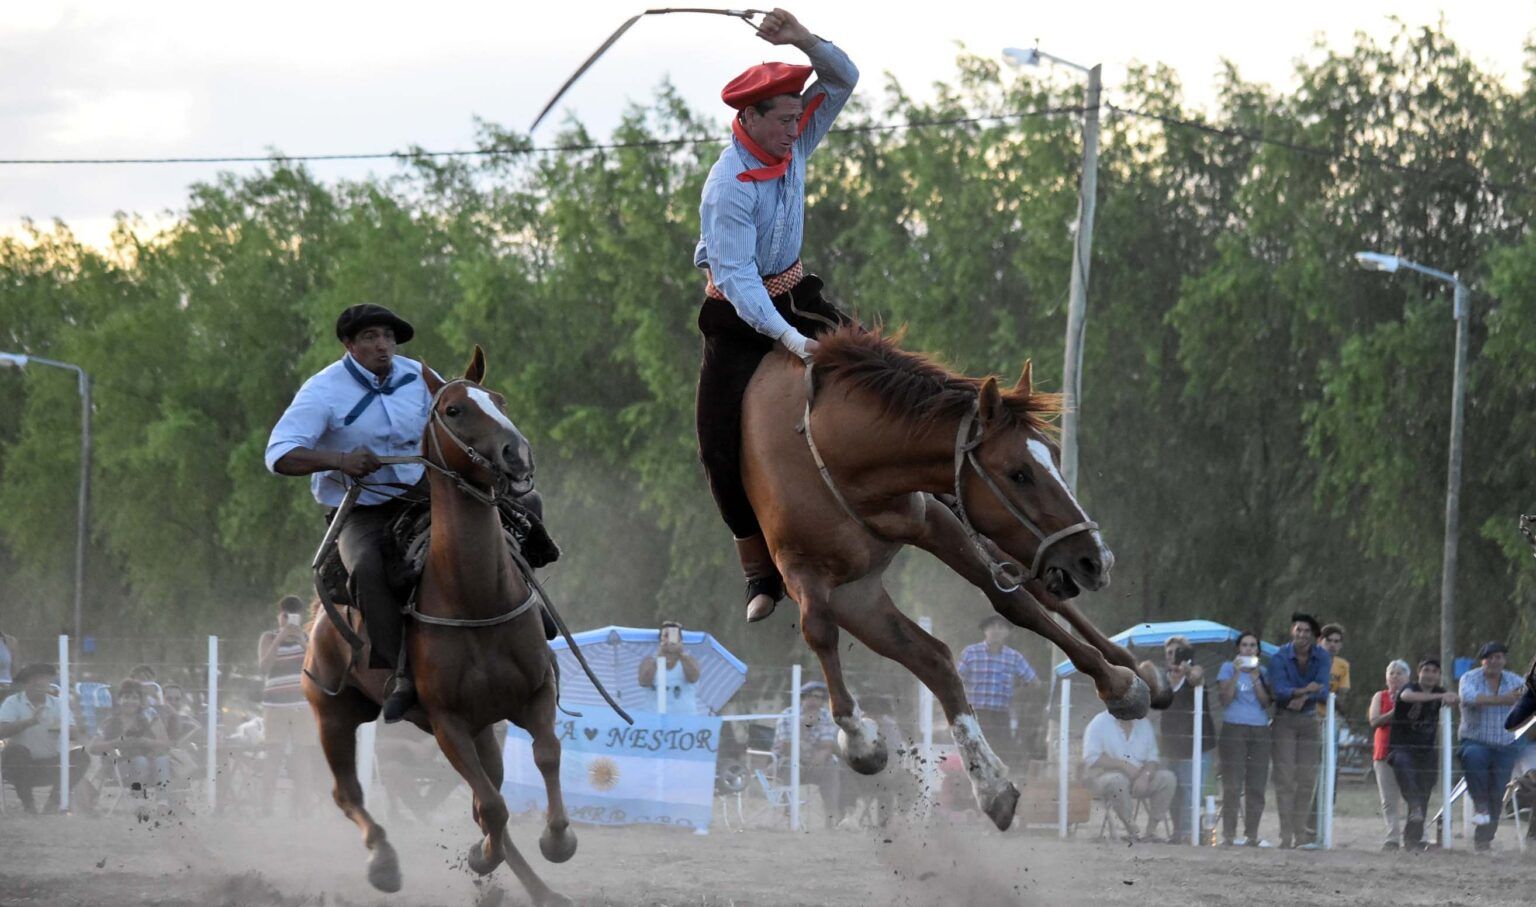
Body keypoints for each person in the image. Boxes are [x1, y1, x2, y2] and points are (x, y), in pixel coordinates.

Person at [692, 7, 859, 622]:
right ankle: (758, 571)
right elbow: (738, 282)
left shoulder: (795, 132)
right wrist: (794, 342)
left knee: (876, 365)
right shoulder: (728, 187)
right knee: (715, 444)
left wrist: (802, 40)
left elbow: (843, 80)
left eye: (799, 118)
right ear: (750, 118)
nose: (798, 129)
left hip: (797, 291)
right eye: (785, 120)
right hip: (737, 315)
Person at [265, 303, 432, 722]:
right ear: (349, 344)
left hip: (422, 491)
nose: (384, 346)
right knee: (368, 566)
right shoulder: (322, 390)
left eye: (389, 338)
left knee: (501, 515)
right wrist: (340, 460)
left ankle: (528, 616)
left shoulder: (418, 376)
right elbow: (279, 454)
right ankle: (398, 675)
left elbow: (455, 413)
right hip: (361, 506)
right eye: (373, 337)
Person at [1265, 611, 1331, 849]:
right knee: (1284, 778)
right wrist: (1305, 692)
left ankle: (1300, 833)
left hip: (1309, 719)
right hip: (1284, 719)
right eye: (1298, 630)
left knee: (1306, 778)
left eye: (1306, 631)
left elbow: (1323, 689)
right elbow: (1279, 691)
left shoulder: (1322, 656)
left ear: (1313, 635)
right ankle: (1285, 834)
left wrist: (1301, 696)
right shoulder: (1280, 656)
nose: (1302, 635)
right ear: (1292, 631)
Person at [1457, 641, 1525, 851]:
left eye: (1499, 657)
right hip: (1475, 740)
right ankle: (1479, 803)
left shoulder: (1515, 679)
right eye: (1490, 657)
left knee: (1498, 792)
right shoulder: (1469, 678)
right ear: (1482, 660)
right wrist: (1505, 699)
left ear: (1504, 660)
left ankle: (1484, 839)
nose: (1495, 661)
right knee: (1473, 758)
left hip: (1505, 744)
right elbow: (1469, 698)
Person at [257, 594, 319, 818]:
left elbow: (317, 664)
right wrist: (280, 637)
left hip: (302, 705)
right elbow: (264, 667)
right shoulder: (268, 636)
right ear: (280, 616)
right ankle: (266, 807)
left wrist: (301, 640)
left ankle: (305, 809)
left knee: (303, 758)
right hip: (274, 705)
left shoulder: (306, 637)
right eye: (285, 614)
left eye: (292, 614)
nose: (288, 618)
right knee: (273, 755)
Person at [0, 663, 88, 813]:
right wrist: (30, 722)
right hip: (19, 766)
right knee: (16, 752)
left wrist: (62, 727)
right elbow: (2, 731)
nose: (40, 683)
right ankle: (29, 806)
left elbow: (75, 733)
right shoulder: (13, 702)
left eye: (44, 679)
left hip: (51, 765)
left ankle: (53, 804)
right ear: (25, 683)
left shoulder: (59, 704)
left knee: (81, 756)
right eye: (34, 679)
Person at [1081, 708, 1177, 843]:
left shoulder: (1144, 724)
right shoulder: (1099, 723)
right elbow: (1091, 758)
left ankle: (1150, 832)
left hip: (1139, 776)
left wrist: (1146, 775)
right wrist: (1122, 765)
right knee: (1117, 781)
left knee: (1168, 778)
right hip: (1106, 776)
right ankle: (1132, 830)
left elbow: (1153, 758)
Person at [1389, 657, 1455, 851]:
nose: (1430, 674)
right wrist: (1439, 698)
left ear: (1439, 675)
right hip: (1401, 748)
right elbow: (1407, 697)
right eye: (1426, 670)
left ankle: (1412, 840)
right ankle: (1415, 806)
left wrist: (1451, 697)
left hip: (1426, 750)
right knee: (1408, 778)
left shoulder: (1440, 692)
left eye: (1435, 671)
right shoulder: (1409, 687)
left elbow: (1455, 699)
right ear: (1419, 673)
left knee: (1424, 792)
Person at [955, 615, 1038, 769]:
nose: (996, 631)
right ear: (985, 630)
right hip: (976, 714)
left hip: (1001, 715)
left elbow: (1033, 681)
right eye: (992, 626)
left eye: (1001, 627)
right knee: (975, 754)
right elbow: (957, 679)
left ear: (1007, 632)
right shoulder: (971, 653)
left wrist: (1016, 693)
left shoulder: (1013, 657)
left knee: (1001, 755)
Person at [1215, 632, 1272, 847]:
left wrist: (1256, 677)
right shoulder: (1227, 668)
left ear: (1258, 650)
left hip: (1259, 728)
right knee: (1232, 783)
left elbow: (1266, 702)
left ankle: (1252, 834)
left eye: (1253, 646)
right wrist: (1237, 674)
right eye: (1245, 645)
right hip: (1234, 727)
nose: (1248, 649)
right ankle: (1228, 834)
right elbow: (1225, 698)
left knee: (1256, 783)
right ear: (1239, 648)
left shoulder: (1264, 672)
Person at [1158, 636, 1214, 842]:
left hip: (1197, 746)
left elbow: (1198, 677)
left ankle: (1187, 834)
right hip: (1171, 745)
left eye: (1178, 652)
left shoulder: (1194, 675)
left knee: (1191, 791)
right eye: (1170, 653)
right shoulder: (1161, 679)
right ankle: (1178, 832)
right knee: (1173, 791)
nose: (1174, 657)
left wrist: (1187, 667)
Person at [87, 679, 172, 814]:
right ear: (119, 700)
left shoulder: (148, 716)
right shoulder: (110, 721)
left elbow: (166, 744)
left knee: (162, 760)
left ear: (140, 701)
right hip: (120, 766)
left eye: (135, 698)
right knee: (140, 761)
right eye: (126, 697)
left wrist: (145, 742)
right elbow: (93, 747)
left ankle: (163, 804)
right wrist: (117, 742)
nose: (130, 701)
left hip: (150, 762)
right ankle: (139, 804)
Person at [1303, 622, 1351, 842]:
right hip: (1310, 717)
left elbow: (1342, 696)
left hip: (1331, 720)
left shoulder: (1342, 666)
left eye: (1336, 641)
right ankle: (1304, 823)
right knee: (1310, 771)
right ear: (1320, 641)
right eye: (1328, 640)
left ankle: (1318, 822)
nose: (1332, 645)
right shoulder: (1309, 660)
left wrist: (1325, 694)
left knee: (1329, 771)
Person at [772, 680, 843, 828]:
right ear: (803, 697)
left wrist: (820, 757)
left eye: (819, 697)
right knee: (788, 765)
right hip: (789, 761)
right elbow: (787, 746)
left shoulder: (826, 716)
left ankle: (831, 817)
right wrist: (803, 726)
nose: (815, 701)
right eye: (812, 696)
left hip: (814, 763)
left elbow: (826, 744)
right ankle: (790, 815)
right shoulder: (788, 715)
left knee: (830, 767)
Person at [1368, 659, 1411, 850]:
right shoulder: (1380, 696)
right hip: (1383, 752)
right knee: (1388, 799)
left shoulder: (1413, 696)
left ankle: (1415, 835)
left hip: (1409, 752)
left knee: (1412, 795)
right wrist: (1396, 712)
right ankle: (1392, 837)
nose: (1395, 676)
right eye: (1391, 673)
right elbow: (1375, 720)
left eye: (1400, 673)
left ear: (1408, 677)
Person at [637, 620, 701, 715]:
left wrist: (680, 653)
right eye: (666, 636)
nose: (669, 640)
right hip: (655, 720)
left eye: (673, 636)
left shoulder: (689, 660)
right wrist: (660, 655)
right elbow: (644, 682)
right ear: (660, 640)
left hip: (685, 719)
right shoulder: (649, 661)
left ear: (680, 640)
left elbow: (693, 678)